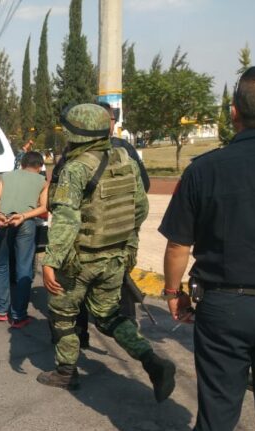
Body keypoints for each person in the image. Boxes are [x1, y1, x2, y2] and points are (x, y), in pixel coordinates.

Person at [159, 65, 255, 431]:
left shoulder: (206, 168)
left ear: (233, 113)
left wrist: (172, 293)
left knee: (218, 406)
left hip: (224, 305)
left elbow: (176, 247)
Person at [38, 103, 175, 400]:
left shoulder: (75, 168)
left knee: (63, 313)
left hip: (79, 260)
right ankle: (152, 361)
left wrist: (50, 261)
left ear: (76, 134)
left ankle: (65, 373)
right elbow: (140, 208)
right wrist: (128, 246)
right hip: (115, 258)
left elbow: (66, 218)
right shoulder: (125, 158)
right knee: (109, 315)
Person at [71, 102, 150, 348]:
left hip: (86, 243)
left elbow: (61, 202)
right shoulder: (125, 152)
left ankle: (78, 341)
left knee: (74, 296)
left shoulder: (75, 155)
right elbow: (142, 195)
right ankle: (129, 333)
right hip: (119, 239)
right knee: (117, 285)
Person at [0, 150, 49, 329]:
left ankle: (0, 310)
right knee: (23, 267)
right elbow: (44, 207)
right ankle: (18, 316)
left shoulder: (7, 176)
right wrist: (23, 216)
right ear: (39, 167)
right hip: (25, 223)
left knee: (1, 265)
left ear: (21, 164)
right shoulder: (42, 181)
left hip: (1, 221)